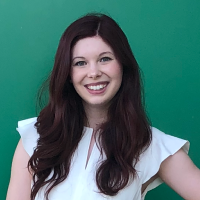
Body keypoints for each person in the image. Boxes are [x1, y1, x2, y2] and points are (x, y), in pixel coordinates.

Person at [6, 13, 200, 200]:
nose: (93, 72)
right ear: (67, 74)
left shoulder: (147, 144)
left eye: (105, 59)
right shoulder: (36, 137)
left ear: (123, 65)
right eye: (80, 63)